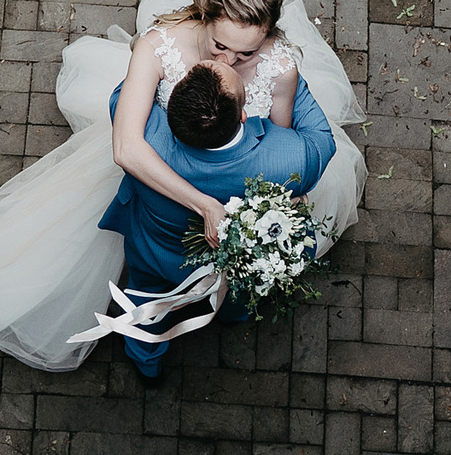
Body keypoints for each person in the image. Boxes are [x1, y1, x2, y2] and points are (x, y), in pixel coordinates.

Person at [0, 0, 369, 373]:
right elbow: (127, 147)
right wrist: (206, 205)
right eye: (220, 45)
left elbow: (277, 145)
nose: (226, 61)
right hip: (169, 190)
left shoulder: (279, 68)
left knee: (195, 284)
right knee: (153, 288)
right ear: (204, 18)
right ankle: (157, 346)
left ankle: (185, 331)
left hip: (217, 198)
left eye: (245, 54)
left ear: (266, 38)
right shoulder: (161, 46)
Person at [94, 54, 339, 381]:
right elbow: (322, 137)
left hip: (157, 251)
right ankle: (232, 315)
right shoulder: (292, 158)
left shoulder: (147, 136)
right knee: (238, 294)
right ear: (243, 115)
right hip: (240, 264)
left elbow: (127, 91)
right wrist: (287, 71)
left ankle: (146, 361)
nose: (223, 56)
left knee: (144, 302)